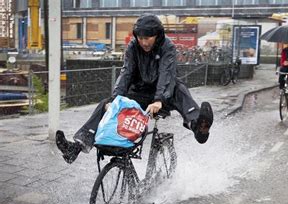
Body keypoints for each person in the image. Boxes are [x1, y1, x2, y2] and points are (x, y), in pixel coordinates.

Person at [55, 14, 214, 164]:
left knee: (181, 91)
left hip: (165, 94)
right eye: (140, 38)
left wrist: (159, 100)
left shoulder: (168, 47)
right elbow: (126, 73)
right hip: (141, 92)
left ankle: (198, 127)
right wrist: (115, 100)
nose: (144, 42)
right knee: (106, 105)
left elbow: (167, 74)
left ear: (157, 36)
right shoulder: (133, 47)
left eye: (148, 38)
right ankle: (75, 148)